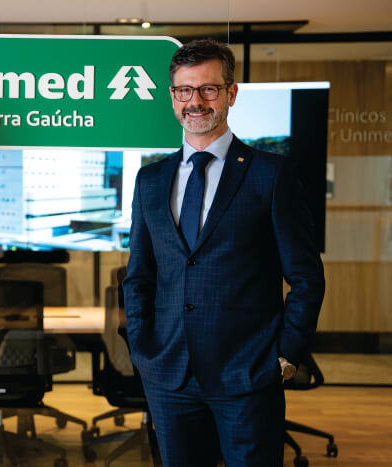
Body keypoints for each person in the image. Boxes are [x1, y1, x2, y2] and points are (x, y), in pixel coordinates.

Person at [123, 39, 325, 466]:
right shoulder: (151, 180)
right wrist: (142, 350)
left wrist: (285, 355)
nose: (196, 102)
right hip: (169, 375)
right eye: (184, 90)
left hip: (247, 375)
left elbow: (306, 278)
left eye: (209, 89)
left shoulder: (270, 175)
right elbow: (139, 276)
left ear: (231, 94)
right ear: (173, 97)